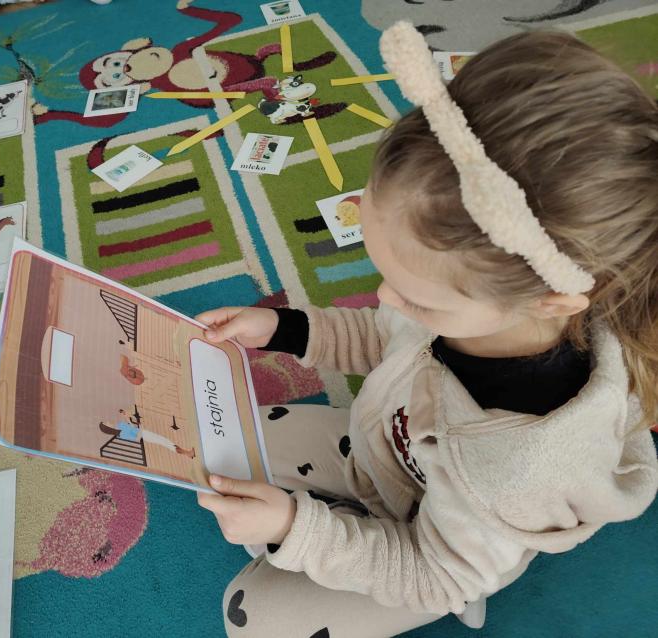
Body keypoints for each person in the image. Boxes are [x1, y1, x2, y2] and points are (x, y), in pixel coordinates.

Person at [195, 21, 658, 638]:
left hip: (438, 552)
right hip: (384, 454)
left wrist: (293, 529)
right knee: (213, 442)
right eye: (383, 273)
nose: (386, 299)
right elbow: (384, 334)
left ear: (551, 301)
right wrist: (282, 328)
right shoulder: (475, 304)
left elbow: (434, 573)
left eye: (415, 297)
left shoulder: (521, 466)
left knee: (249, 616)